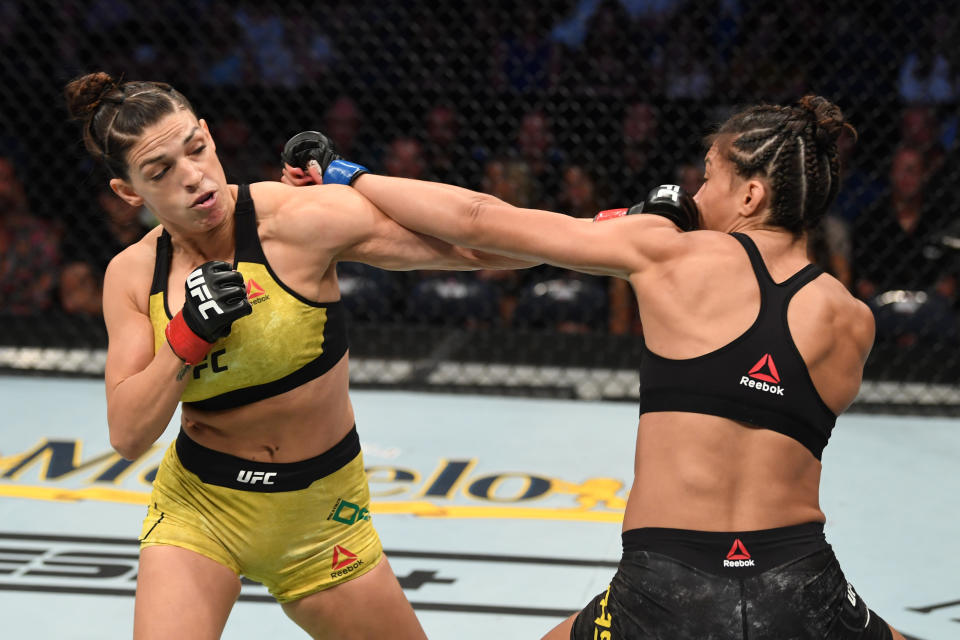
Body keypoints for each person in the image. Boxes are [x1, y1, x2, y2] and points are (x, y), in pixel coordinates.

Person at [284, 95, 907, 639]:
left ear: (751, 194)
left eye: (709, 177)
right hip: (801, 585)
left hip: (666, 586)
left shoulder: (669, 253)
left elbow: (480, 223)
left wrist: (345, 174)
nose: (695, 192)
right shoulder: (853, 320)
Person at [64, 71, 530, 640]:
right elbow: (127, 433)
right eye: (161, 172)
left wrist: (606, 236)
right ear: (129, 191)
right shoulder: (133, 275)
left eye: (197, 149)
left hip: (324, 515)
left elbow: (488, 246)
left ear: (209, 134)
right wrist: (186, 335)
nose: (193, 177)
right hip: (201, 512)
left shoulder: (293, 219)